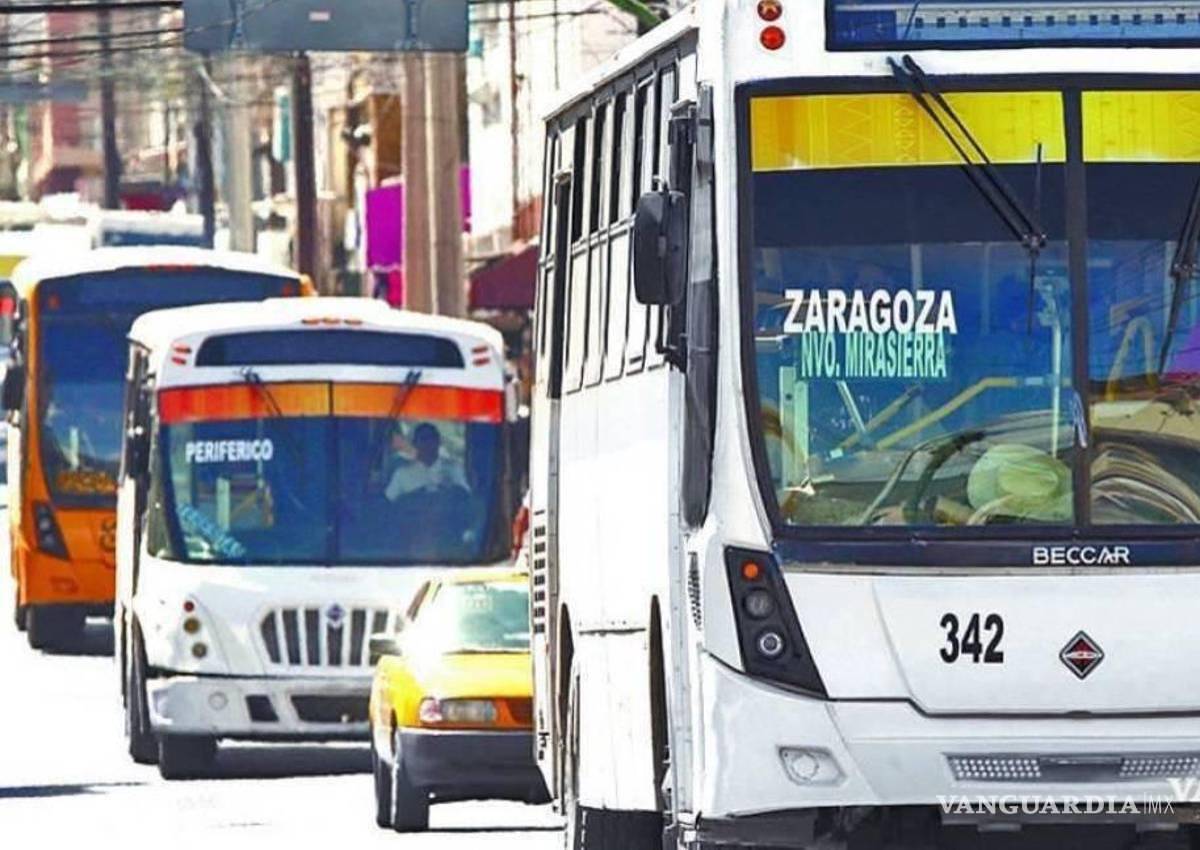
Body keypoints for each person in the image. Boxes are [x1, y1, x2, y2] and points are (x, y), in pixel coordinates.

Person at [385, 423, 469, 501]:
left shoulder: (454, 470)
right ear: (415, 443)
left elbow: (466, 498)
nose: (428, 443)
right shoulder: (402, 474)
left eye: (431, 438)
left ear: (439, 442)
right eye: (423, 439)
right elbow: (390, 503)